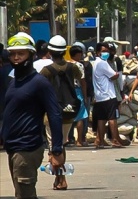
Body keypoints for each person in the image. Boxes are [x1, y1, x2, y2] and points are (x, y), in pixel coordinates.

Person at [0, 32, 65, 198]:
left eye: (21, 53)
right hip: (13, 147)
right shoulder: (14, 82)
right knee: (20, 193)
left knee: (25, 194)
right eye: (13, 54)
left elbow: (54, 114)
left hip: (27, 147)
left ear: (31, 55)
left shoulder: (39, 82)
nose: (16, 58)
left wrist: (56, 150)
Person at [40, 35, 85, 190]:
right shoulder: (73, 67)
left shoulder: (46, 71)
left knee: (54, 146)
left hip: (52, 112)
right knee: (61, 143)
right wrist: (85, 101)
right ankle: (58, 178)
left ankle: (61, 179)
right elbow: (81, 81)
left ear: (50, 51)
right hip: (69, 111)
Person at [92, 42, 125, 148]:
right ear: (98, 53)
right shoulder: (103, 63)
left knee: (101, 119)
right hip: (109, 95)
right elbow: (114, 75)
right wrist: (114, 75)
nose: (106, 53)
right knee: (112, 118)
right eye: (103, 51)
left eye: (107, 51)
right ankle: (115, 140)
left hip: (100, 96)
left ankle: (100, 141)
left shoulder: (96, 63)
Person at [67, 45, 90, 147]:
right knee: (80, 116)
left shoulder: (66, 65)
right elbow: (83, 81)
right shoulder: (79, 66)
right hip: (77, 91)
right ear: (77, 54)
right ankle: (79, 140)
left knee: (67, 116)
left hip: (67, 92)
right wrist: (85, 96)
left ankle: (67, 138)